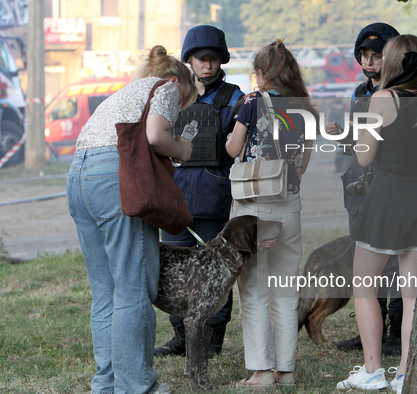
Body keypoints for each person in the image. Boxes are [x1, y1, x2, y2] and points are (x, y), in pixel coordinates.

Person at [66, 45, 197, 394]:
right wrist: (184, 148)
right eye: (183, 101)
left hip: (78, 177)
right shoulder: (166, 86)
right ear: (175, 80)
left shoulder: (122, 94)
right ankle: (136, 386)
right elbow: (156, 135)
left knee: (106, 291)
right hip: (113, 178)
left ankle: (106, 384)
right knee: (133, 287)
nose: (179, 106)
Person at [335, 34, 417, 393]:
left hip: (385, 198)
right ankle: (406, 372)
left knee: (364, 287)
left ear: (391, 62)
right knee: (412, 296)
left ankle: (374, 370)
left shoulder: (381, 98)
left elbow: (364, 156)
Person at [225, 39, 316, 388]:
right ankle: (286, 371)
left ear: (261, 73)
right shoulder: (303, 107)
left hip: (253, 210)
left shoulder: (250, 102)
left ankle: (262, 371)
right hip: (289, 207)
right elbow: (303, 165)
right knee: (285, 289)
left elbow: (234, 148)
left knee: (255, 290)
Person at [156, 25, 244, 359]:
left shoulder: (235, 98)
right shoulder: (171, 92)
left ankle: (212, 340)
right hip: (175, 195)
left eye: (212, 58)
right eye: (199, 58)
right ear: (189, 60)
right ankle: (181, 336)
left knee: (215, 273)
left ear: (221, 60)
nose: (206, 65)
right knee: (174, 270)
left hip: (214, 195)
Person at [326, 22, 403, 356]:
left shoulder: (400, 93)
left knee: (396, 260)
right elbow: (358, 141)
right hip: (358, 186)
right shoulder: (360, 93)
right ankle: (368, 331)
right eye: (365, 55)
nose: (370, 62)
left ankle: (397, 334)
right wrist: (338, 134)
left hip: (390, 184)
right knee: (363, 259)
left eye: (377, 56)